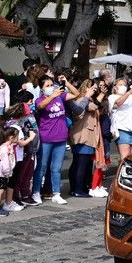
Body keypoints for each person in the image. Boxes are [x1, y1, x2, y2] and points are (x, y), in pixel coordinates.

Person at [31, 74, 76, 205]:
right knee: (42, 167)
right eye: (47, 86)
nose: (51, 87)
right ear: (42, 88)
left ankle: (56, 193)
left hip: (61, 138)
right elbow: (40, 107)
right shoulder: (40, 99)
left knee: (56, 168)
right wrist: (52, 95)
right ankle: (36, 192)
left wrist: (66, 83)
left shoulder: (60, 97)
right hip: (46, 138)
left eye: (52, 85)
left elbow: (76, 94)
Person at [68, 79, 100, 198]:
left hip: (84, 136)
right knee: (80, 163)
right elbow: (91, 108)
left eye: (95, 89)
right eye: (92, 88)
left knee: (78, 163)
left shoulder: (87, 99)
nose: (94, 90)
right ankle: (77, 189)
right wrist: (88, 96)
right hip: (83, 136)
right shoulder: (83, 99)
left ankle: (76, 188)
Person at [109, 78, 132, 161]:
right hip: (121, 129)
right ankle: (121, 173)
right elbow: (117, 103)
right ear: (115, 87)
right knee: (125, 157)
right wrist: (129, 92)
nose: (123, 86)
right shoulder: (112, 97)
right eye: (120, 85)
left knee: (130, 157)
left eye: (124, 85)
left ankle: (124, 172)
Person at [0, 127, 18, 217]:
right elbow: (5, 163)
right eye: (16, 136)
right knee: (0, 191)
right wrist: (7, 173)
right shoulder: (4, 148)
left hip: (4, 173)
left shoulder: (7, 147)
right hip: (1, 174)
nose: (18, 138)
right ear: (11, 137)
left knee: (2, 190)